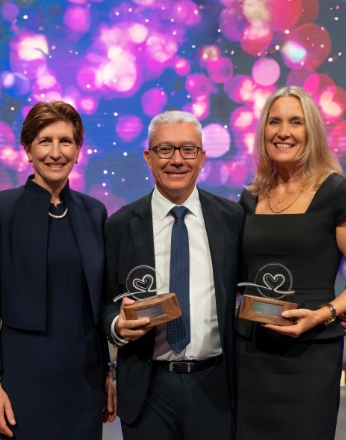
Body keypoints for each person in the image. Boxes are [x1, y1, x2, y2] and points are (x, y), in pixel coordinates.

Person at [235, 86, 346, 439]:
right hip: (252, 350)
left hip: (311, 352)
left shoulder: (337, 192)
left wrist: (324, 313)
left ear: (311, 132)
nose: (283, 131)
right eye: (275, 122)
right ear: (263, 131)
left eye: (295, 122)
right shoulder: (250, 197)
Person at [0, 101, 117, 439]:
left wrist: (108, 372)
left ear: (78, 149)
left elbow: (99, 305)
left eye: (66, 141)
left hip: (85, 377)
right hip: (24, 379)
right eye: (45, 141)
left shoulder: (95, 211)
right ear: (27, 149)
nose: (56, 152)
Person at [102, 110, 244, 440]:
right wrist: (117, 326)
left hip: (215, 384)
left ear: (202, 157)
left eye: (188, 150)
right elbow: (104, 302)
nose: (177, 160)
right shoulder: (120, 225)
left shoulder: (232, 218)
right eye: (165, 150)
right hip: (148, 385)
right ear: (148, 157)